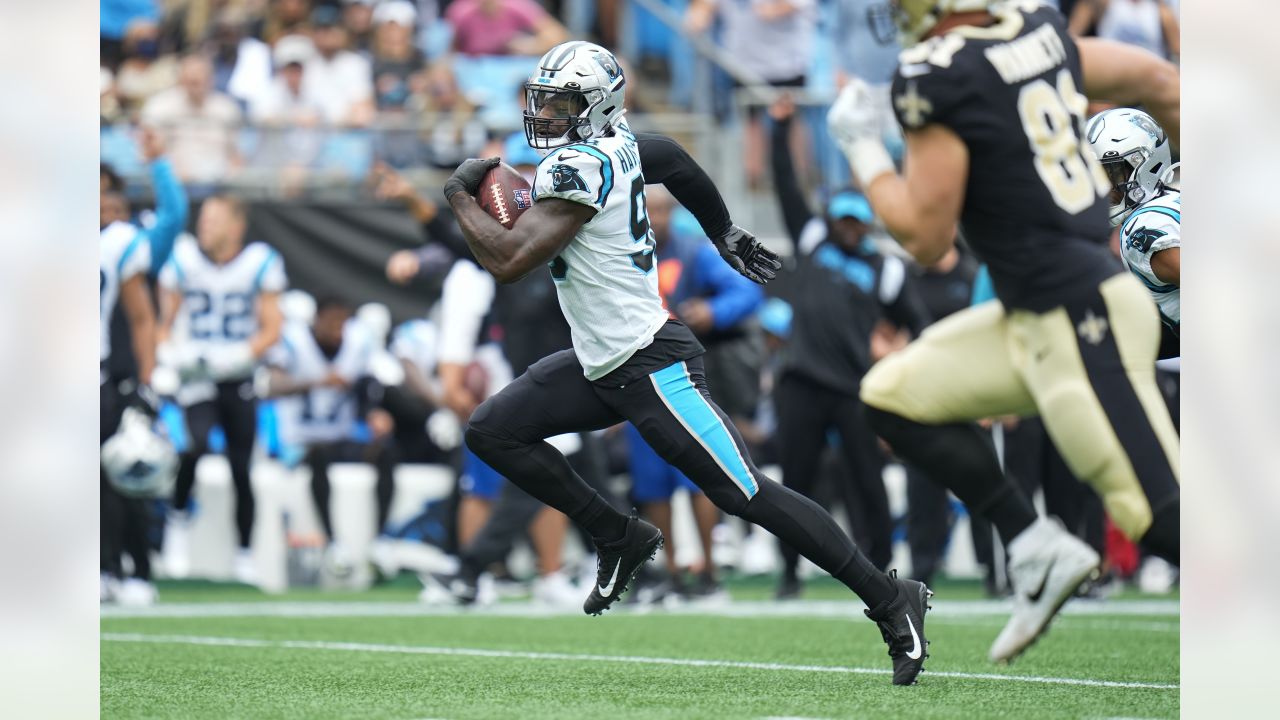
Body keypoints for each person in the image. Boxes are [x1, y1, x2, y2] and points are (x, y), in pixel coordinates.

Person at [447, 40, 931, 686]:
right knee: (491, 431)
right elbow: (671, 158)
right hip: (602, 364)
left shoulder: (582, 166)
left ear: (596, 107)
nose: (548, 116)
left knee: (746, 493)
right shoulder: (615, 146)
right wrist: (724, 230)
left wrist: (459, 198)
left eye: (562, 104)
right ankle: (618, 534)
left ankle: (891, 596)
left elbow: (509, 261)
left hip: (651, 365)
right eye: (545, 102)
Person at [826, 0, 1179, 664]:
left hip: (1079, 312)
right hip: (1032, 311)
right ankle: (1034, 545)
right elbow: (1161, 83)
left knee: (1156, 516)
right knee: (893, 395)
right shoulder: (1040, 30)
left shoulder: (937, 73)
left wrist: (864, 150)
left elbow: (926, 239)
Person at [156, 194, 287, 584]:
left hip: (238, 374)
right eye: (203, 219)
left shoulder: (260, 261)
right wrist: (170, 354)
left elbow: (272, 329)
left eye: (214, 220)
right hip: (196, 374)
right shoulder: (183, 261)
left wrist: (237, 356)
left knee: (241, 467)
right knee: (192, 446)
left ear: (236, 226)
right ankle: (176, 528)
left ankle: (244, 553)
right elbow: (164, 322)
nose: (204, 227)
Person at [264, 296, 395, 576]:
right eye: (333, 324)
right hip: (300, 441)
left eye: (343, 324)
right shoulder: (292, 341)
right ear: (317, 321)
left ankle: (381, 540)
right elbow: (269, 385)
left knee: (385, 451)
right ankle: (334, 543)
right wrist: (316, 382)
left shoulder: (357, 343)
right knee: (318, 455)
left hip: (341, 435)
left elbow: (368, 383)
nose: (339, 331)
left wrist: (373, 412)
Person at [1085, 107, 1179, 361]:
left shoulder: (1142, 228)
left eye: (1109, 173)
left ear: (1142, 163)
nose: (1100, 187)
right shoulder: (1172, 200)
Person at [100, 211, 159, 605]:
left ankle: (131, 568)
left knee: (117, 474)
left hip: (100, 374)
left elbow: (141, 317)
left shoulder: (118, 242)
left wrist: (147, 380)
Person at [140, 54, 243, 187]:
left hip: (219, 185)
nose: (196, 85)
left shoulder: (227, 109)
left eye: (200, 80)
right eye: (191, 81)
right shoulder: (159, 107)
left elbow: (237, 155)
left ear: (211, 80)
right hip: (173, 184)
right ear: (180, 79)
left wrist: (230, 181)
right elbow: (149, 151)